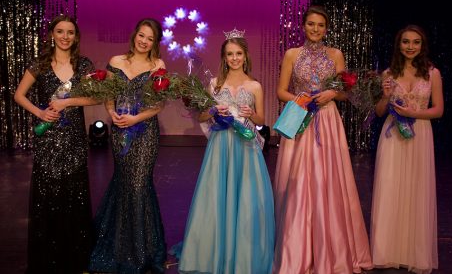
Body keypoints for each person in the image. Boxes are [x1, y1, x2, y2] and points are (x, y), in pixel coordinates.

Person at [273, 5, 373, 274]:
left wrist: (331, 95)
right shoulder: (292, 54)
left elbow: (344, 93)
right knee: (299, 181)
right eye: (311, 24)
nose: (315, 29)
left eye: (320, 25)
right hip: (300, 118)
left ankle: (332, 248)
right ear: (303, 26)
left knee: (327, 179)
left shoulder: (336, 54)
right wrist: (302, 99)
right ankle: (297, 248)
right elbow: (281, 91)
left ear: (326, 29)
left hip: (328, 121)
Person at [177, 30, 275, 273]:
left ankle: (242, 253)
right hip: (221, 146)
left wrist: (252, 114)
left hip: (245, 145)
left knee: (245, 196)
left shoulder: (255, 86)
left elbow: (263, 119)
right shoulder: (214, 84)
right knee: (217, 195)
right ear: (224, 57)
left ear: (245, 56)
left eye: (238, 53)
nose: (234, 58)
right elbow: (201, 114)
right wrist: (213, 112)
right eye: (230, 54)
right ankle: (216, 251)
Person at [14, 14, 97, 273]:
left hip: (74, 139)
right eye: (60, 31)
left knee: (74, 198)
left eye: (70, 32)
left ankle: (75, 259)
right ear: (52, 34)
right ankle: (46, 260)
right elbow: (19, 95)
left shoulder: (84, 65)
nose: (64, 36)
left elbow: (95, 99)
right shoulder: (40, 63)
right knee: (47, 199)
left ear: (76, 37)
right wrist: (39, 113)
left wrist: (67, 102)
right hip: (48, 139)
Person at [89, 18, 167, 273]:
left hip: (145, 131)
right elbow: (108, 94)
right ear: (135, 35)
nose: (144, 41)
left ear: (155, 42)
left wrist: (135, 118)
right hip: (120, 130)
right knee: (125, 183)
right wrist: (112, 113)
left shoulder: (158, 65)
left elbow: (159, 105)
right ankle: (122, 246)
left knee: (139, 184)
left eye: (150, 38)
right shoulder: (116, 61)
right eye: (141, 35)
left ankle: (142, 250)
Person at [371, 25, 443, 273]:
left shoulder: (433, 74)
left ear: (422, 46)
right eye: (405, 42)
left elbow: (439, 110)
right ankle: (388, 251)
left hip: (420, 135)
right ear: (398, 45)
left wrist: (414, 113)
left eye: (415, 42)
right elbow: (379, 112)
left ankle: (414, 252)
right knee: (391, 188)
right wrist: (385, 95)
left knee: (416, 191)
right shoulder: (389, 74)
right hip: (393, 136)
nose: (410, 47)